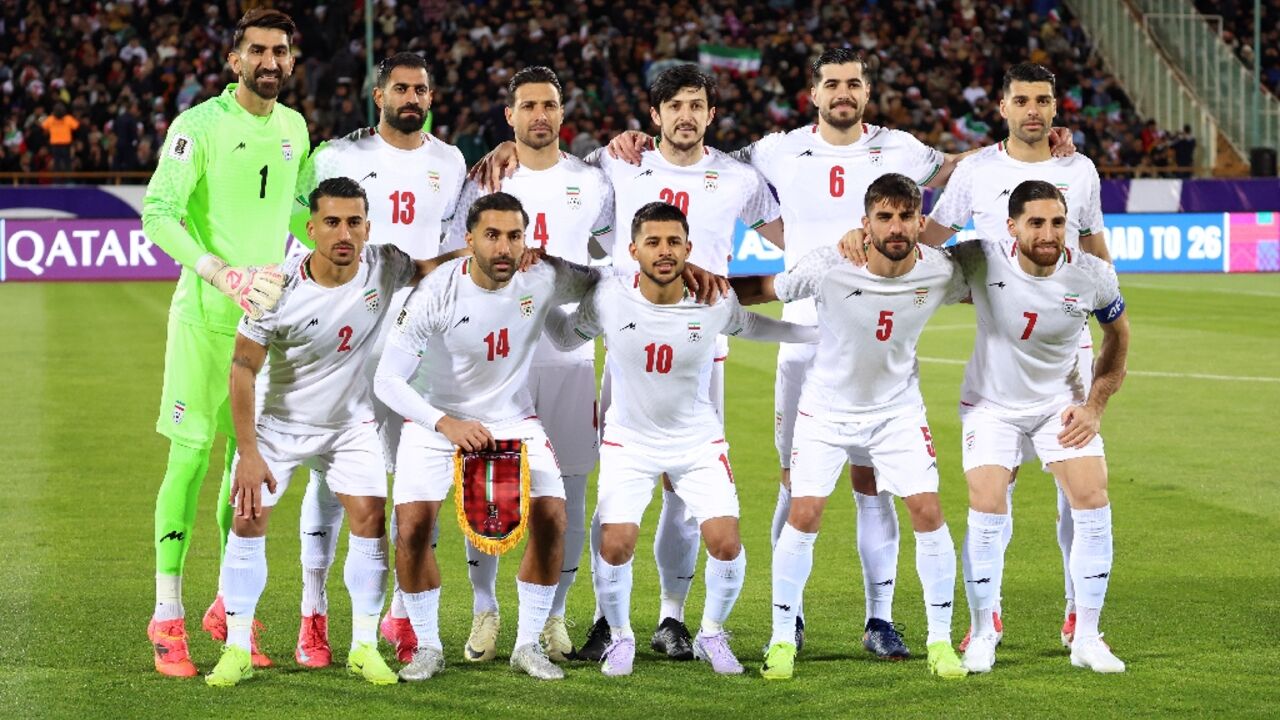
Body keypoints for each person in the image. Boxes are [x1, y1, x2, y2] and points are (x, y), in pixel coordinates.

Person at [606, 49, 1075, 657]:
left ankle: (879, 619)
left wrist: (1031, 139)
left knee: (872, 481)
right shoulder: (775, 150)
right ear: (814, 93)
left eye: (853, 83)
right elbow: (703, 154)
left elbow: (965, 168)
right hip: (804, 341)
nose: (842, 93)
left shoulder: (903, 148)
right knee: (792, 485)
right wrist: (636, 138)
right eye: (831, 84)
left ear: (866, 91)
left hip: (875, 342)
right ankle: (788, 619)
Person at [473, 64, 782, 662]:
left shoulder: (739, 177)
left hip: (703, 348)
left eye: (697, 105)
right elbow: (548, 165)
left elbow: (781, 235)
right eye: (675, 106)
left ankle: (672, 618)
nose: (686, 116)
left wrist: (737, 287)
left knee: (684, 490)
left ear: (711, 115)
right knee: (616, 479)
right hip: (627, 345)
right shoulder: (616, 163)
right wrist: (504, 148)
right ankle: (601, 619)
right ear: (654, 116)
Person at [544, 202, 816, 676]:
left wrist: (816, 334)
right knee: (615, 544)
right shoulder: (610, 297)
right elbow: (567, 338)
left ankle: (711, 632)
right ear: (632, 250)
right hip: (629, 442)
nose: (664, 251)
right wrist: (537, 303)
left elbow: (753, 326)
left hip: (698, 442)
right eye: (653, 242)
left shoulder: (713, 300)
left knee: (726, 543)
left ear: (689, 248)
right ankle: (622, 636)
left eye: (673, 242)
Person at [205, 177, 458, 687]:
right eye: (333, 223)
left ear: (367, 226)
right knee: (248, 519)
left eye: (355, 222)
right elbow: (241, 368)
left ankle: (363, 645)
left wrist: (476, 251)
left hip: (349, 426)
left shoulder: (383, 264)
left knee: (369, 518)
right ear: (311, 228)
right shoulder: (275, 290)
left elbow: (429, 269)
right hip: (280, 426)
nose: (345, 233)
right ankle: (235, 648)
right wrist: (249, 453)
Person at [732, 173, 969, 681]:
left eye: (906, 216)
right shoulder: (827, 266)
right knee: (806, 512)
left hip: (897, 412)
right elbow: (762, 289)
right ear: (865, 224)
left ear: (921, 222)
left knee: (928, 510)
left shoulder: (942, 271)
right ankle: (780, 641)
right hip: (826, 410)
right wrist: (699, 288)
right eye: (885, 216)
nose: (897, 226)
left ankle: (941, 642)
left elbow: (999, 284)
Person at [373, 192, 605, 681]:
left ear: (527, 239)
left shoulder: (542, 275)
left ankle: (527, 645)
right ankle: (429, 647)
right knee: (412, 529)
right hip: (436, 419)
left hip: (512, 418)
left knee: (552, 518)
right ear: (470, 239)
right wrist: (447, 425)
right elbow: (388, 381)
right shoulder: (435, 292)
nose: (504, 248)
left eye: (515, 236)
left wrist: (590, 321)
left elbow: (600, 286)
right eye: (493, 235)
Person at [286, 50, 468, 669]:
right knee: (331, 477)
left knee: (418, 478)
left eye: (421, 89)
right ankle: (313, 614)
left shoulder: (450, 161)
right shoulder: (339, 157)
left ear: (431, 97)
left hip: (422, 344)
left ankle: (399, 615)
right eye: (400, 89)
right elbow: (302, 238)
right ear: (378, 94)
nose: (411, 98)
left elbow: (449, 250)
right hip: (350, 341)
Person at [141, 8, 309, 678]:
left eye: (281, 51)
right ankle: (167, 615)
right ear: (236, 58)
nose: (270, 61)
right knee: (188, 462)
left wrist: (312, 252)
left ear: (291, 59)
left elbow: (296, 206)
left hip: (262, 330)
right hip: (205, 323)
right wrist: (220, 271)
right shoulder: (200, 127)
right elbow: (159, 212)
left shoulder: (295, 127)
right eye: (258, 51)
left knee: (249, 472)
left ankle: (225, 607)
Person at [925, 62, 1110, 649]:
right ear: (1001, 107)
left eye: (1044, 100)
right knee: (993, 488)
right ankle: (990, 614)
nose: (1034, 109)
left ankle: (1079, 613)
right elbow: (931, 240)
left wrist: (1100, 299)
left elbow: (1097, 250)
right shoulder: (976, 171)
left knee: (1074, 489)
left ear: (1057, 109)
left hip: (1068, 355)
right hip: (1001, 351)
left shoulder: (1078, 169)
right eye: (1022, 99)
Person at [442, 66, 615, 665]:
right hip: (494, 362)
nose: (539, 114)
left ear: (563, 113)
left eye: (549, 104)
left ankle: (555, 616)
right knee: (487, 485)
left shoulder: (591, 183)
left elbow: (613, 258)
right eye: (527, 105)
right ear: (509, 116)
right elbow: (454, 250)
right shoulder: (484, 178)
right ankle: (485, 609)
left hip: (566, 356)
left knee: (567, 485)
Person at [949, 180, 1129, 675]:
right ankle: (984, 629)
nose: (1049, 233)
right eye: (1036, 222)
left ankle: (1087, 636)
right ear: (1011, 226)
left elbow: (1119, 337)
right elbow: (907, 268)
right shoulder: (978, 259)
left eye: (1057, 222)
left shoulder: (1092, 275)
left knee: (1092, 500)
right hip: (991, 404)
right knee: (986, 503)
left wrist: (1094, 406)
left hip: (1060, 405)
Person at [41, 103, 79, 172]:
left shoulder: (65, 118)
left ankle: (64, 181)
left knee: (62, 163)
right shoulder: (53, 119)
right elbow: (76, 126)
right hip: (58, 145)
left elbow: (76, 127)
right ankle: (60, 181)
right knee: (62, 163)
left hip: (63, 144)